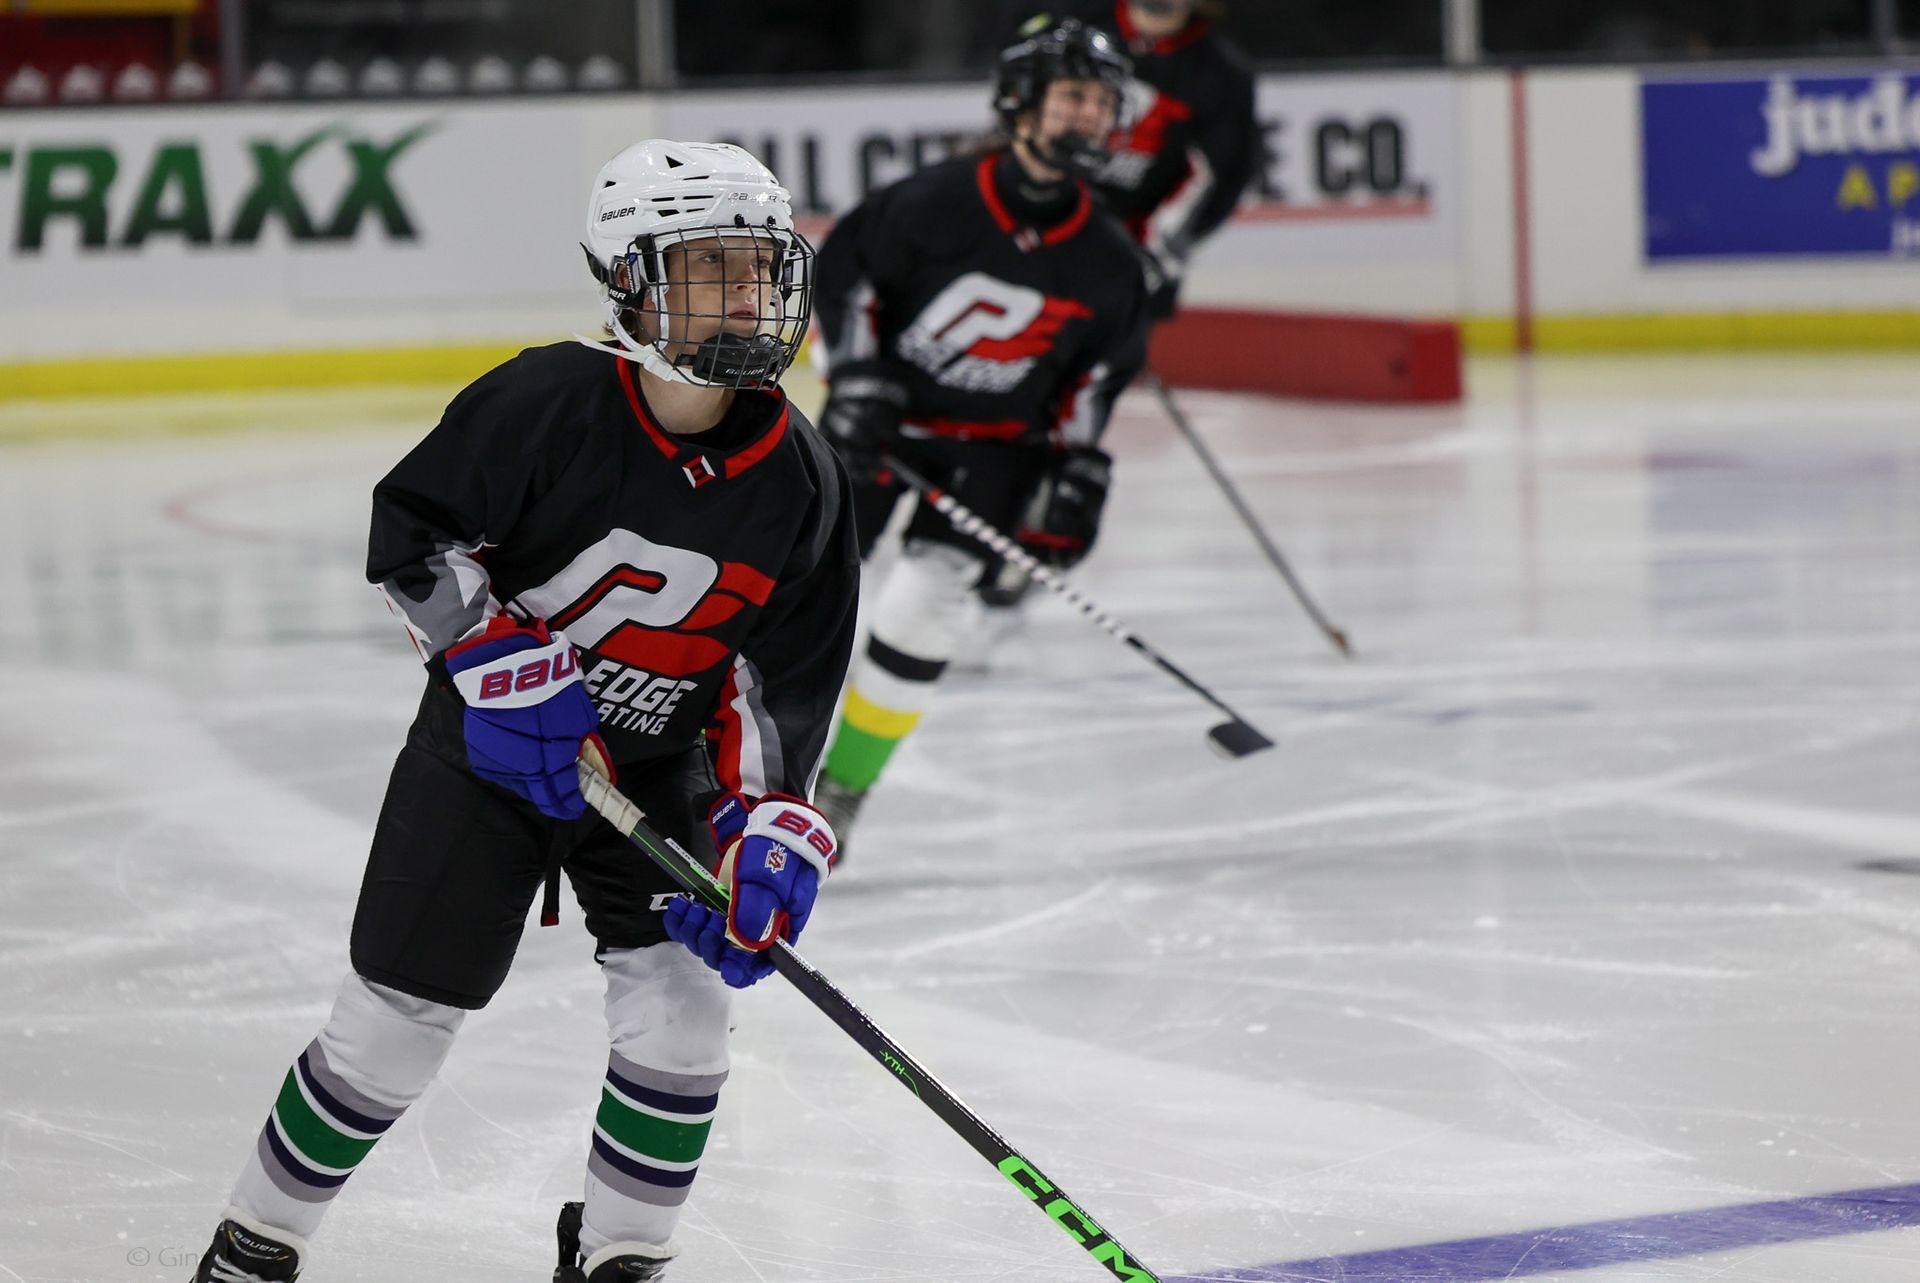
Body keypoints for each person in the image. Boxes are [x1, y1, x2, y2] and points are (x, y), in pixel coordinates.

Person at [187, 140, 859, 1283]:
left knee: (687, 1016)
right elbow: (415, 532)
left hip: (655, 771)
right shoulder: (546, 401)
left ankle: (620, 1257)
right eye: (709, 266)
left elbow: (779, 679)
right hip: (484, 763)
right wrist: (496, 658)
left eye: (759, 265)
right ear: (630, 282)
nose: (748, 294)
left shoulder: (803, 474)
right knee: (393, 1027)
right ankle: (258, 1243)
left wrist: (767, 826)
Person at [808, 17, 1150, 844]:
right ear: (1021, 102)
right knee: (803, 605)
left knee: (927, 613)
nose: (1090, 117)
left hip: (994, 458)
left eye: (1103, 103)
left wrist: (1076, 469)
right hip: (878, 437)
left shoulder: (1109, 261)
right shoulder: (933, 204)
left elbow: (1095, 380)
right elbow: (843, 277)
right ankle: (751, 770)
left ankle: (842, 792)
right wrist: (855, 376)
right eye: (1073, 97)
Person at [1048, 0, 1260, 319]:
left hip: (1141, 238)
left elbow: (1225, 177)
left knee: (1115, 344)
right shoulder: (1070, 28)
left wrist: (1164, 246)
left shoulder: (1224, 75)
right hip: (1050, 216)